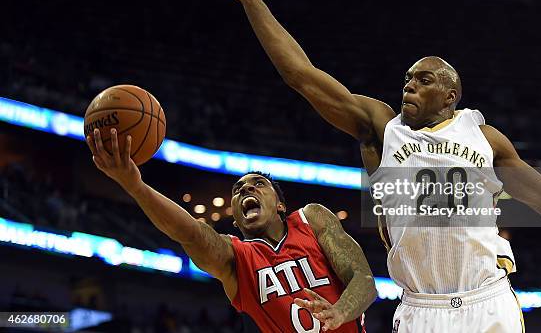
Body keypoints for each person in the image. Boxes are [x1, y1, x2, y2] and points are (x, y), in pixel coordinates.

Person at [207, 0, 541, 332]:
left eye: (423, 80)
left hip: (486, 300)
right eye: (407, 79)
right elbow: (301, 76)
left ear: (450, 95)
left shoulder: (485, 139)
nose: (409, 86)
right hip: (421, 309)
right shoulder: (383, 128)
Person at [86, 128, 376, 332]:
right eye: (237, 190)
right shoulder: (236, 258)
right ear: (236, 219)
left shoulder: (312, 219)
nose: (246, 188)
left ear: (279, 205)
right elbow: (189, 232)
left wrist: (339, 312)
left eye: (258, 184)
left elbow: (364, 280)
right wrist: (135, 186)